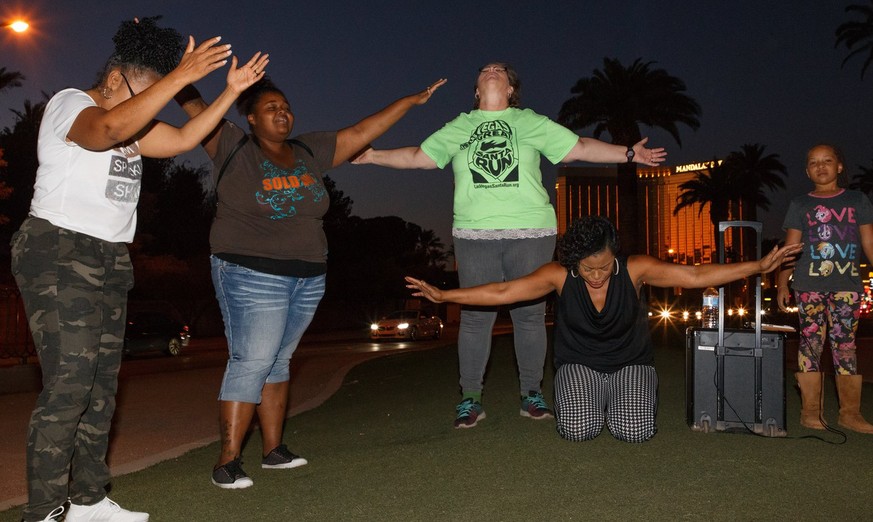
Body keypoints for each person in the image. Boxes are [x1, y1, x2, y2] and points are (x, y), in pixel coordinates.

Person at [9, 17, 269, 522]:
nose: (148, 108)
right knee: (69, 382)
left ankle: (87, 500)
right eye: (143, 95)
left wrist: (228, 91)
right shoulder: (73, 104)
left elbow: (186, 138)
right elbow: (107, 129)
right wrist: (178, 75)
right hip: (59, 250)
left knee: (101, 388)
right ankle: (42, 510)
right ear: (113, 80)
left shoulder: (133, 128)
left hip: (108, 257)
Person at [352, 62, 667, 429]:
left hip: (531, 231)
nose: (491, 70)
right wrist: (372, 155)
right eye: (485, 69)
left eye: (499, 70)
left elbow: (577, 148)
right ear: (476, 91)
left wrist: (629, 153)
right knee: (474, 317)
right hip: (473, 234)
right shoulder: (460, 126)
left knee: (529, 316)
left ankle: (531, 394)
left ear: (511, 89)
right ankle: (470, 398)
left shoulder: (529, 121)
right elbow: (418, 158)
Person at [175, 75, 447, 489]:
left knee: (279, 361)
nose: (282, 113)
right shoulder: (232, 145)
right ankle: (227, 462)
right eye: (270, 108)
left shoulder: (307, 150)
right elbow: (194, 105)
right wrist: (173, 70)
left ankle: (273, 451)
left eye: (285, 106)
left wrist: (410, 100)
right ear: (250, 118)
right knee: (252, 361)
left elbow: (359, 132)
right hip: (250, 271)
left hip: (306, 276)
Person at [406, 216, 802, 442]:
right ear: (574, 261)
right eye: (587, 268)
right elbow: (504, 290)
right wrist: (445, 295)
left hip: (631, 363)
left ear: (615, 255)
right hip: (580, 364)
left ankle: (624, 395)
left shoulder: (636, 269)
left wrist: (757, 267)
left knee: (635, 432)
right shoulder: (559, 276)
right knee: (578, 431)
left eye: (604, 266)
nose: (596, 276)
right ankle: (595, 396)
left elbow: (695, 274)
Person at [777, 144, 873, 434]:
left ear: (839, 166)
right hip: (809, 285)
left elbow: (868, 242)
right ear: (807, 171)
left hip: (847, 286)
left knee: (845, 346)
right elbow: (791, 249)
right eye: (814, 163)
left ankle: (850, 414)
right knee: (810, 344)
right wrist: (783, 282)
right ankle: (811, 413)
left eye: (827, 161)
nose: (821, 166)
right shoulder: (800, 204)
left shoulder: (858, 200)